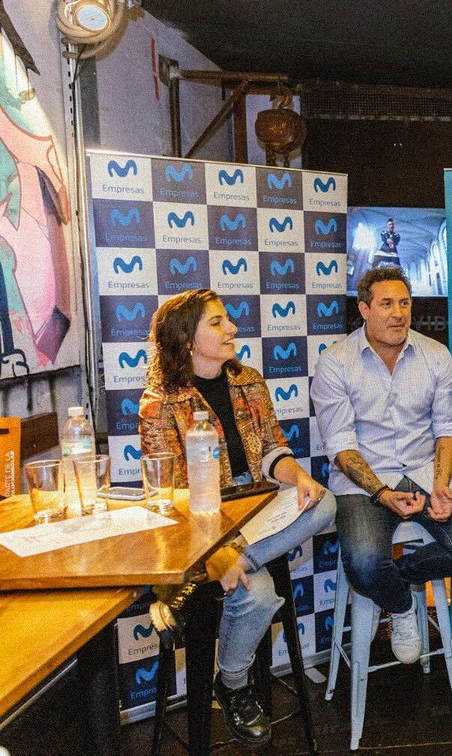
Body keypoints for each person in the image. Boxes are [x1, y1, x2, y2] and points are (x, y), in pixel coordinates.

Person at [139, 289, 336, 747]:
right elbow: (168, 495)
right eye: (217, 323)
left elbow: (272, 450)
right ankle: (233, 686)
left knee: (325, 503)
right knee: (259, 594)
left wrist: (298, 477)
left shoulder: (249, 381)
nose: (232, 329)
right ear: (186, 339)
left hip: (253, 521)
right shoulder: (159, 403)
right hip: (197, 528)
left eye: (227, 321)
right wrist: (214, 547)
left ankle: (225, 568)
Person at [311, 266, 452, 665]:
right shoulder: (336, 364)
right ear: (363, 309)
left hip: (424, 471)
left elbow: (448, 427)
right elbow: (341, 446)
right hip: (363, 482)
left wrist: (441, 483)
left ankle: (399, 581)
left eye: (405, 303)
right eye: (386, 303)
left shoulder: (435, 355)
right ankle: (403, 607)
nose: (398, 313)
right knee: (361, 563)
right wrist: (382, 493)